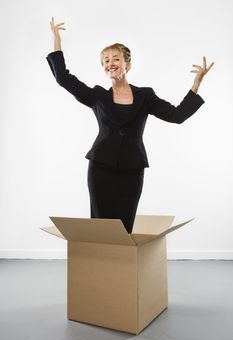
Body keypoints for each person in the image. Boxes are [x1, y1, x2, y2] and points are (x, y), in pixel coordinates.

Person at [46, 17, 214, 233]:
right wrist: (57, 39)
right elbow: (63, 78)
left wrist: (196, 84)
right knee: (102, 226)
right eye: (105, 60)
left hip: (132, 169)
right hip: (101, 167)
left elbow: (177, 115)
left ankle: (121, 266)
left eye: (115, 58)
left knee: (125, 226)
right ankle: (101, 266)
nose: (110, 63)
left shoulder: (146, 95)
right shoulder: (97, 96)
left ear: (128, 64)